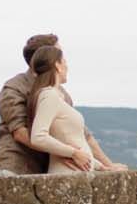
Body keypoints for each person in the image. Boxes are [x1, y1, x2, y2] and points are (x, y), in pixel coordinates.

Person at [26, 45, 124, 173]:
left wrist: (101, 167)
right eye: (65, 62)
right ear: (57, 65)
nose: (67, 67)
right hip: (66, 174)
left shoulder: (55, 96)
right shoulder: (49, 95)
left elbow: (76, 146)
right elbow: (38, 137)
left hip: (76, 174)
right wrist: (73, 153)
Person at [0, 33, 58, 175]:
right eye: (58, 54)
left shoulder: (59, 92)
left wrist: (107, 165)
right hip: (13, 169)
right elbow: (20, 133)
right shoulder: (13, 88)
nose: (63, 59)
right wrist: (67, 152)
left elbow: (82, 134)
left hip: (44, 171)